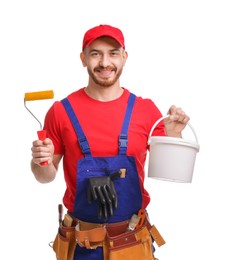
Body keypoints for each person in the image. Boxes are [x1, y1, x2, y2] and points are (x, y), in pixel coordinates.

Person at [31, 24, 190, 260]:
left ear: (124, 58)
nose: (105, 63)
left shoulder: (145, 110)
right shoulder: (61, 111)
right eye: (95, 53)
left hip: (132, 241)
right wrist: (40, 161)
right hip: (80, 245)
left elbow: (171, 173)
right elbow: (45, 177)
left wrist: (175, 136)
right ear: (83, 58)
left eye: (113, 53)